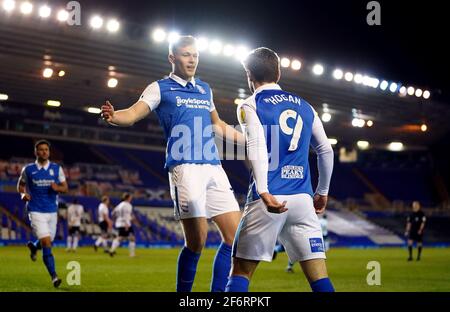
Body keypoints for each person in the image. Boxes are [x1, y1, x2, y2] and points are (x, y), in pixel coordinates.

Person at [100, 35, 244, 292]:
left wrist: (247, 140)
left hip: (213, 166)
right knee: (197, 242)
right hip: (184, 167)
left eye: (196, 55)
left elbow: (217, 124)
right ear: (172, 58)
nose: (192, 60)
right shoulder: (160, 88)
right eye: (186, 54)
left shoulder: (205, 88)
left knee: (235, 239)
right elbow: (133, 113)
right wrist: (113, 117)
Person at [226, 47, 335, 292]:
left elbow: (255, 146)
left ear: (248, 75)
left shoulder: (251, 104)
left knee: (241, 271)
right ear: (279, 72)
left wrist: (264, 191)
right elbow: (326, 151)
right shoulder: (306, 107)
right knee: (319, 278)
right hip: (303, 200)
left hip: (271, 198)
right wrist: (323, 191)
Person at [17, 139, 68, 287]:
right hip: (35, 209)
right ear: (36, 152)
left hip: (52, 210)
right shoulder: (28, 170)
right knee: (46, 242)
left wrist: (57, 188)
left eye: (46, 149)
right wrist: (22, 194)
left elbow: (65, 187)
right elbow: (20, 185)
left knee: (47, 241)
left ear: (49, 152)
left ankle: (34, 247)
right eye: (41, 149)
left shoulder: (56, 169)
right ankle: (54, 276)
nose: (44, 152)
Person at [109, 193, 135, 257]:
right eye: (130, 197)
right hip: (126, 224)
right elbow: (125, 215)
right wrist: (126, 223)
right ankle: (132, 254)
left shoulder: (119, 205)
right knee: (131, 238)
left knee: (120, 237)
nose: (131, 198)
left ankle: (112, 250)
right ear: (128, 198)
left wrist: (117, 219)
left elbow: (112, 213)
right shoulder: (128, 205)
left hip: (119, 223)